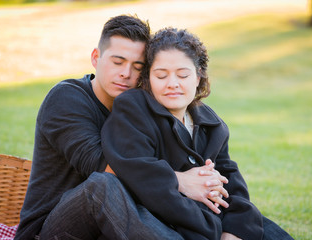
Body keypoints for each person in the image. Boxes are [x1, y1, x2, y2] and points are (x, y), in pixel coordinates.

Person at [15, 15, 228, 240]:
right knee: (102, 186)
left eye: (137, 67)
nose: (126, 74)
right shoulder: (66, 99)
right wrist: (180, 180)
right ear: (96, 58)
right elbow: (102, 166)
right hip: (52, 229)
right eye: (117, 62)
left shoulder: (142, 109)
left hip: (116, 226)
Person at [101, 28, 295, 240]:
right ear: (148, 77)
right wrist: (210, 224)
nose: (172, 84)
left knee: (262, 229)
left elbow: (231, 184)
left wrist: (234, 231)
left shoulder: (211, 124)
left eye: (183, 75)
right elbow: (138, 172)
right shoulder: (133, 108)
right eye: (161, 75)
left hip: (214, 221)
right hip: (166, 225)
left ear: (198, 76)